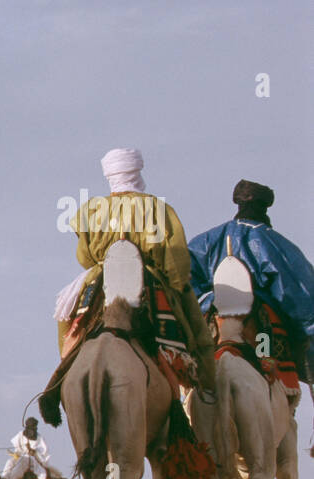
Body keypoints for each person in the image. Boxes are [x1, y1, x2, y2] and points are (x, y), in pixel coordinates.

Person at [43, 149, 215, 424]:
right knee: (196, 327)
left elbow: (84, 258)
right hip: (148, 276)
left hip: (101, 274)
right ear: (138, 173)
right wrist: (177, 285)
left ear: (110, 175)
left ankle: (62, 374)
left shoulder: (91, 210)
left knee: (66, 317)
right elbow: (176, 262)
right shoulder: (158, 208)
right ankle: (208, 385)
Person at [188, 179, 313, 401]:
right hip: (261, 325)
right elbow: (298, 291)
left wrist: (206, 301)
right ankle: (268, 369)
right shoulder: (271, 241)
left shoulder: (208, 240)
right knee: (266, 351)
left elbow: (185, 276)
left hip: (213, 316)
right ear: (264, 208)